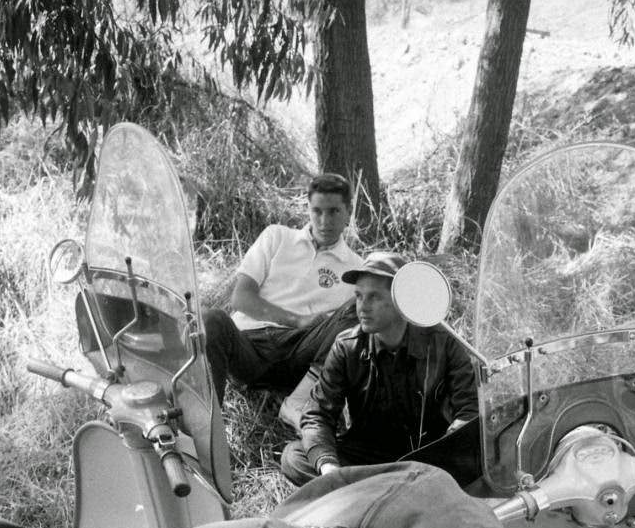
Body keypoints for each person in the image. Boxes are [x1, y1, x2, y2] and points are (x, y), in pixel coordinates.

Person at [280, 251, 480, 487]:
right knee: (294, 457)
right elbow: (317, 416)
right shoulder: (347, 347)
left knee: (477, 456)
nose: (362, 307)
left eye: (374, 297)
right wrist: (329, 467)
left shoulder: (443, 342)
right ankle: (373, 492)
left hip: (428, 458)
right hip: (367, 458)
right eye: (358, 296)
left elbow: (469, 412)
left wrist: (444, 452)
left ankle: (368, 493)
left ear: (400, 301)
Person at [203, 173, 362, 407]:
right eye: (317, 211)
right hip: (249, 345)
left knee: (356, 307)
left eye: (334, 211)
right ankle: (209, 422)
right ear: (308, 208)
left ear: (348, 212)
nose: (324, 221)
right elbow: (241, 298)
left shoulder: (356, 267)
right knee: (210, 318)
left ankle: (298, 402)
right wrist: (297, 320)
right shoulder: (276, 237)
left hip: (299, 354)